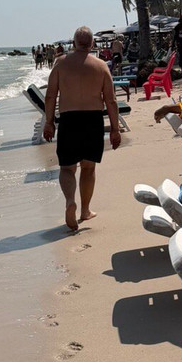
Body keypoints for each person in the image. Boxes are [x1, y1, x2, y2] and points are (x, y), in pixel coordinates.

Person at [43, 26, 122, 231]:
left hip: (69, 120)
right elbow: (111, 101)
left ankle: (70, 201)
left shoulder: (61, 64)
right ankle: (85, 211)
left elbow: (50, 96)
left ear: (74, 43)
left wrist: (49, 122)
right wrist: (115, 129)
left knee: (67, 168)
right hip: (93, 120)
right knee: (88, 168)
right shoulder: (101, 66)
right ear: (92, 43)